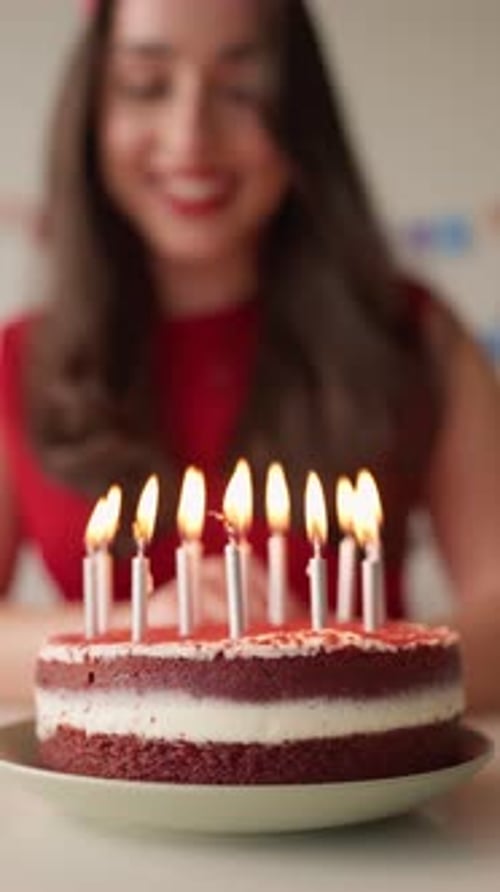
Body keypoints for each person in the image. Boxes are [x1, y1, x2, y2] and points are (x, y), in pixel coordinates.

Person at [1, 0, 500, 710]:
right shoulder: (21, 360)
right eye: (146, 85)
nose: (189, 136)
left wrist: (335, 667)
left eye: (243, 91)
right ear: (90, 112)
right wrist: (126, 634)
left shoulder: (417, 337)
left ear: (301, 115)